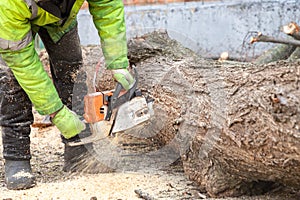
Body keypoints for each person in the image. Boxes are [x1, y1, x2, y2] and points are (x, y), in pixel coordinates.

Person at [0, 0, 134, 190]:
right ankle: (17, 156)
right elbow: (24, 65)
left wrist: (118, 62)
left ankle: (79, 149)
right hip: (10, 24)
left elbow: (108, 5)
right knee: (12, 81)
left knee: (72, 71)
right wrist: (56, 112)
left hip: (59, 20)